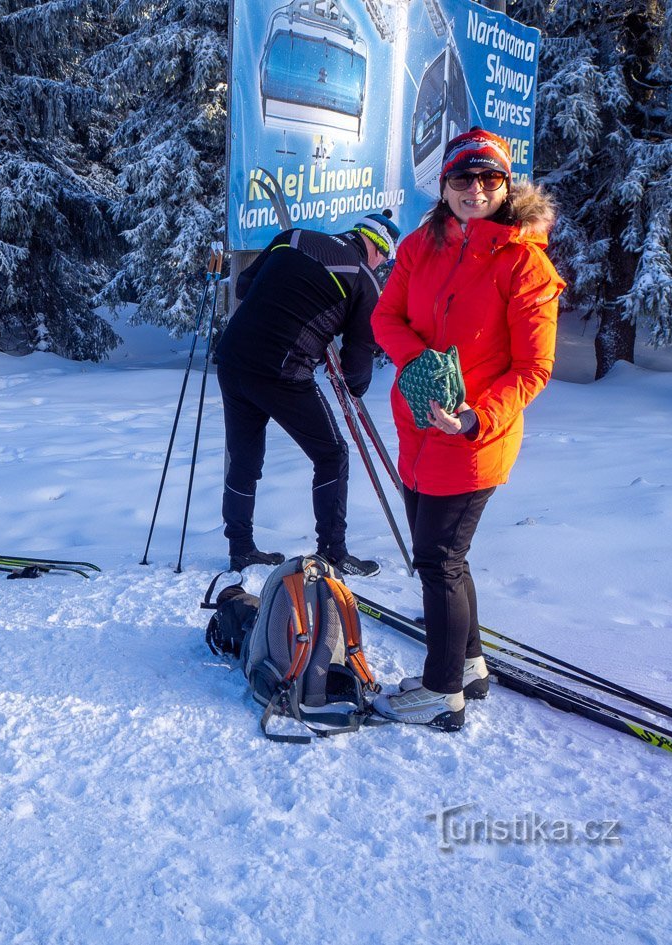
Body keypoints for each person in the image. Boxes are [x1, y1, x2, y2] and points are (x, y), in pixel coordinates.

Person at [369, 128, 565, 729]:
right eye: (462, 178)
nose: (475, 190)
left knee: (439, 560)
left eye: (489, 179)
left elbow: (534, 368)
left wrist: (478, 415)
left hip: (474, 437)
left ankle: (441, 691)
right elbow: (386, 316)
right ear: (444, 185)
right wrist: (417, 359)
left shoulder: (525, 264)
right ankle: (470, 664)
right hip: (418, 429)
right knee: (447, 559)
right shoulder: (418, 247)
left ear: (506, 187)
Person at [213, 212, 400, 575]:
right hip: (283, 370)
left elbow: (245, 285)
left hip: (233, 356)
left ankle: (241, 548)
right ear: (377, 248)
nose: (383, 266)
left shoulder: (294, 236)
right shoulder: (363, 280)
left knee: (244, 458)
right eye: (386, 259)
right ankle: (333, 551)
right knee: (332, 454)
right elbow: (357, 368)